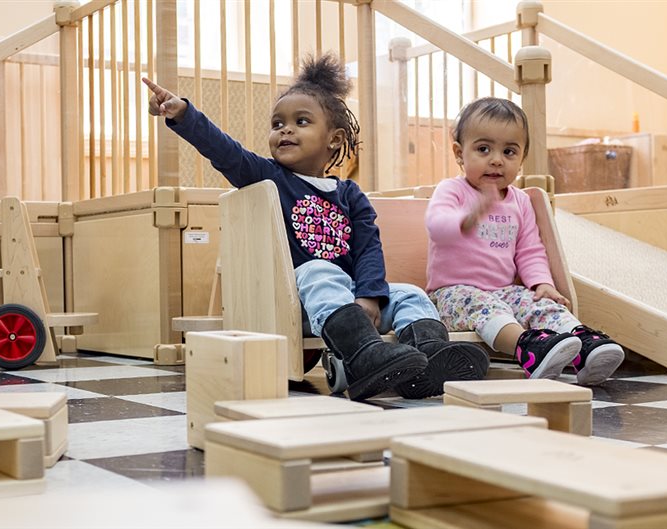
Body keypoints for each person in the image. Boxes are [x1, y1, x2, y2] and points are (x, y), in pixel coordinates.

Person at [144, 53, 488, 401]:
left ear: (334, 139)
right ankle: (361, 358)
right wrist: (184, 115)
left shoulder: (350, 194)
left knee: (409, 294)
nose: (286, 130)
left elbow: (369, 248)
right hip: (301, 304)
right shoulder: (270, 177)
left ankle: (429, 362)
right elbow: (225, 151)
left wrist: (369, 295)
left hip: (352, 302)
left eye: (301, 121)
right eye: (277, 124)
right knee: (319, 270)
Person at [426, 97, 624, 385]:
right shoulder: (453, 191)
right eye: (483, 149)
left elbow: (529, 250)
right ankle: (527, 348)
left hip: (504, 289)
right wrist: (467, 217)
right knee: (486, 307)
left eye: (509, 151)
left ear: (521, 159)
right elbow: (436, 227)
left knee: (538, 303)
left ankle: (582, 345)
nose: (496, 159)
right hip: (453, 294)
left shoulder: (520, 201)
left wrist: (542, 283)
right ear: (459, 153)